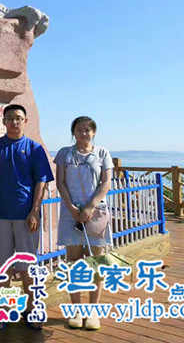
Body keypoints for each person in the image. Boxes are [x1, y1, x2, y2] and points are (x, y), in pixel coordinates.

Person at [0, 104, 54, 331]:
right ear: (3, 121)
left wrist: (34, 210)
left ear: (25, 121)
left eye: (18, 118)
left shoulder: (34, 148)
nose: (14, 122)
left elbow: (41, 181)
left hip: (26, 215)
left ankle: (33, 308)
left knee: (28, 266)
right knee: (0, 266)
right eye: (10, 118)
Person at [54, 116, 113, 331]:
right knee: (74, 262)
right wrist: (71, 207)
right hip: (71, 212)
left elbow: (106, 182)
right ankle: (76, 310)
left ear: (94, 132)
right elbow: (60, 182)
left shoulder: (103, 153)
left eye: (87, 129)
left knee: (96, 262)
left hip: (95, 213)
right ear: (73, 132)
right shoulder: (64, 153)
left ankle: (93, 311)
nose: (83, 133)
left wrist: (90, 206)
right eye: (79, 130)